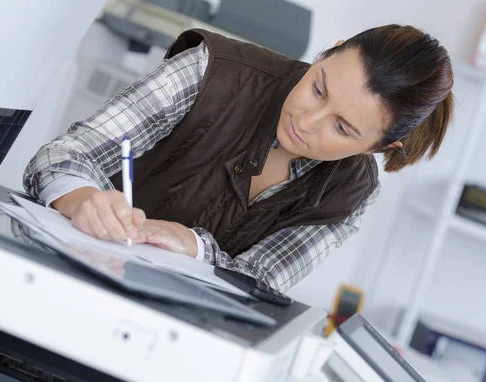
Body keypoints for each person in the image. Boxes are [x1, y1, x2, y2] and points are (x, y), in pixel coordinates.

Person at [23, 25, 454, 296]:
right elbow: (63, 155)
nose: (308, 120)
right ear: (330, 51)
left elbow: (263, 280)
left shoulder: (350, 191)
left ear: (378, 148)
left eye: (342, 129)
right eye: (319, 89)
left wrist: (194, 248)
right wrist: (80, 199)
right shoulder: (212, 71)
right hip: (57, 281)